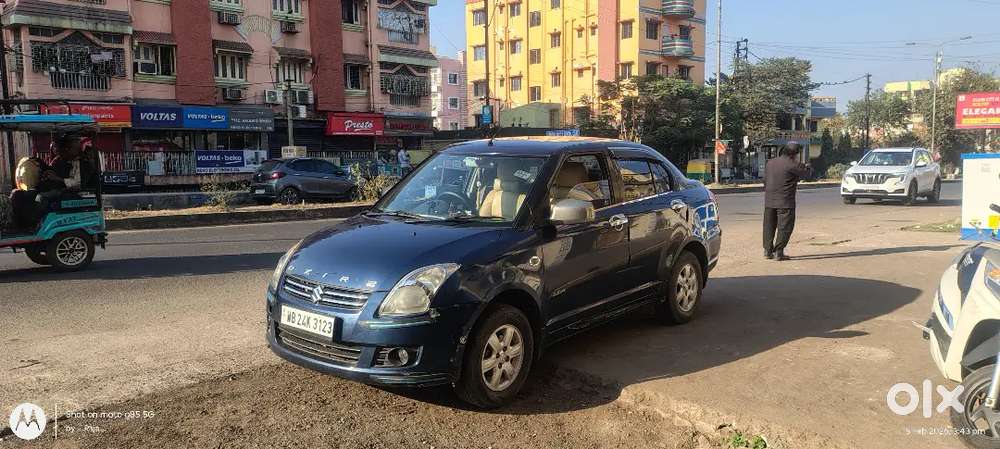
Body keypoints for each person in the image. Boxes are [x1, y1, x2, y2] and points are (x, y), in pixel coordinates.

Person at [763, 142, 813, 261]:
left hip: (769, 200)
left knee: (768, 226)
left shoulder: (770, 163)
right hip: (785, 202)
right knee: (785, 227)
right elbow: (808, 176)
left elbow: (765, 181)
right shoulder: (793, 165)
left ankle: (767, 250)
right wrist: (809, 167)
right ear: (794, 154)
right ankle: (778, 252)